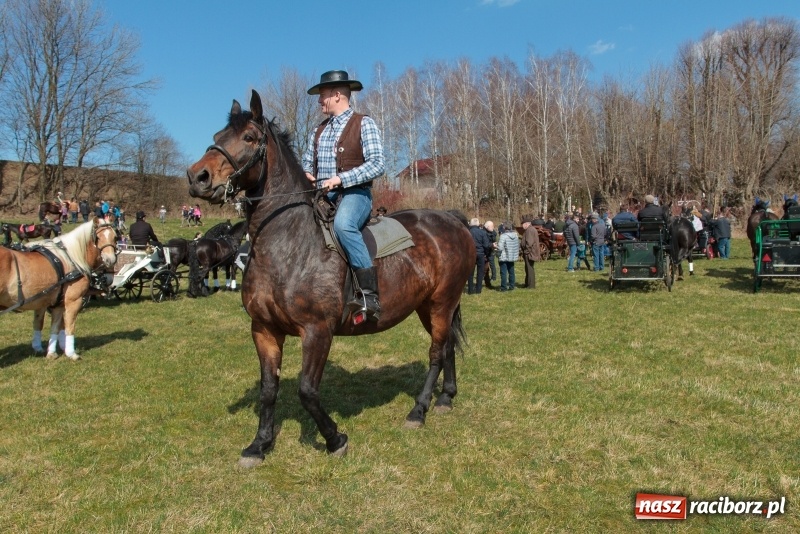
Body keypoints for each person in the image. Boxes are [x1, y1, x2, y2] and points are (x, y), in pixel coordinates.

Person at [302, 70, 385, 320]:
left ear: (337, 95)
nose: (319, 101)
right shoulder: (318, 130)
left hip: (355, 194)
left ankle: (368, 296)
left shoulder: (364, 123)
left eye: (323, 95)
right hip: (321, 196)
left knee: (344, 225)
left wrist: (341, 179)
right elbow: (307, 162)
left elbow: (378, 164)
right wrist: (306, 174)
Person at [496, 220, 519, 291]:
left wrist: (496, 248)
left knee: (503, 272)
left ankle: (504, 287)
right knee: (511, 271)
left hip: (504, 256)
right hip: (512, 255)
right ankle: (512, 285)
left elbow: (500, 247)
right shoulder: (515, 235)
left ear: (504, 227)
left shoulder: (503, 236)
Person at [520, 216, 542, 288]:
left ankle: (531, 285)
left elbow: (529, 243)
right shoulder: (531, 229)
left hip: (530, 253)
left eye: (522, 224)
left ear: (526, 224)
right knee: (528, 269)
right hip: (530, 252)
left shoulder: (530, 230)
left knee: (529, 269)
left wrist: (526, 252)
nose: (522, 225)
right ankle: (527, 284)